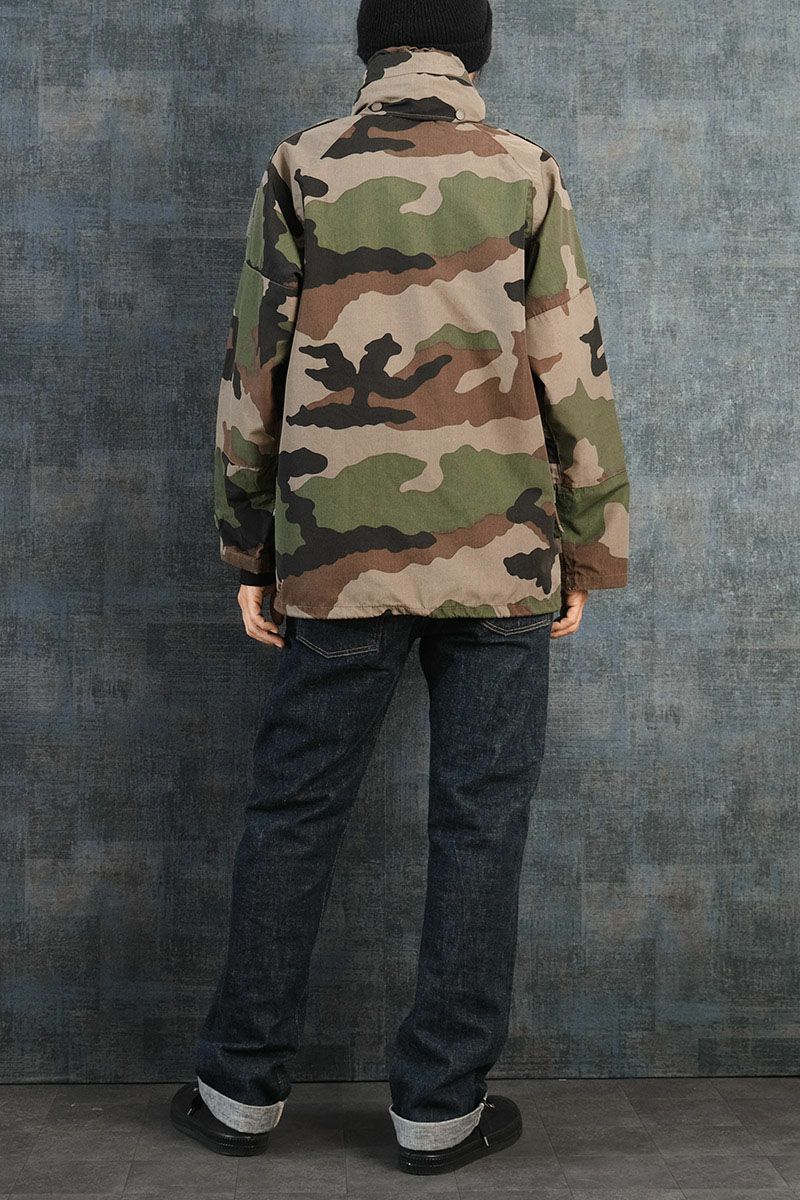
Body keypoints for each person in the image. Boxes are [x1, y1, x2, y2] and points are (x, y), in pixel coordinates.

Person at [171, 0, 630, 1177]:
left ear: (369, 47)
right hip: (502, 556)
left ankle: (237, 1094)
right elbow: (570, 368)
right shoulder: (523, 170)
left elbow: (253, 367)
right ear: (473, 51)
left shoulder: (304, 166)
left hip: (335, 556)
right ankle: (437, 1109)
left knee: (292, 813)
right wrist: (586, 549)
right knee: (479, 824)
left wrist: (249, 547)